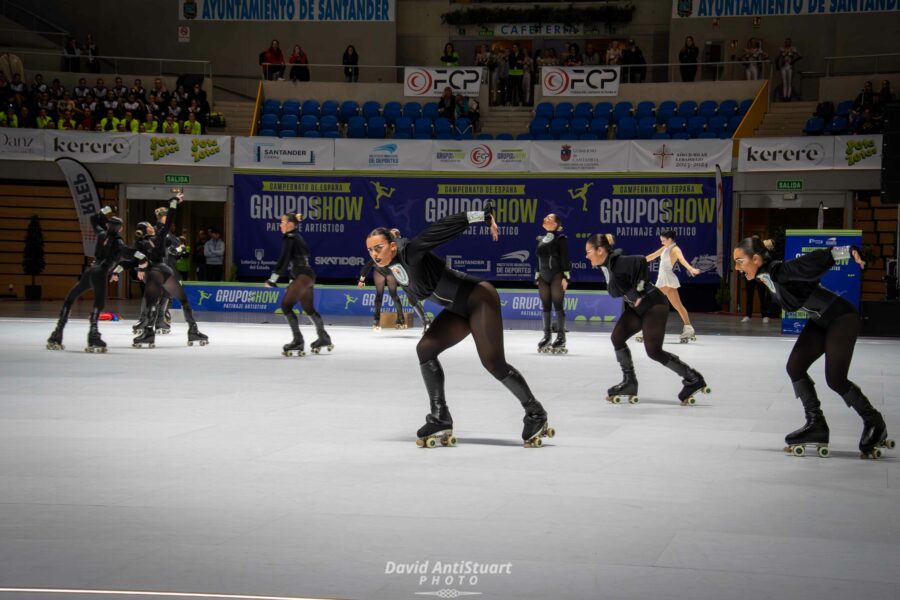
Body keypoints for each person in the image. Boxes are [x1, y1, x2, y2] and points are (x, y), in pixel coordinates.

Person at [364, 203, 554, 448]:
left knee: (493, 363)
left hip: (479, 299)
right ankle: (440, 416)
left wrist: (480, 216)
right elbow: (386, 265)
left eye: (378, 248)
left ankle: (536, 413)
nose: (374, 254)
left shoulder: (410, 252)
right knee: (425, 349)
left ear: (391, 246)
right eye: (370, 250)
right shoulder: (383, 263)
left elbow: (439, 230)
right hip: (456, 309)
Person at [732, 237, 893, 458]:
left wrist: (848, 250)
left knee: (836, 379)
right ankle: (816, 424)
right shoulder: (765, 275)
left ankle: (874, 421)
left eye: (740, 261)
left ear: (756, 259)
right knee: (795, 367)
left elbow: (809, 262)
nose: (737, 267)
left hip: (841, 318)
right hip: (820, 320)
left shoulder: (779, 270)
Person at [585, 233, 709, 406]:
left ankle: (693, 378)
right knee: (617, 338)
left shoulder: (618, 261)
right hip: (637, 308)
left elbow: (641, 261)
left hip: (654, 305)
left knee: (653, 351)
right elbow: (616, 291)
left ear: (599, 250)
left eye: (588, 251)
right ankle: (629, 382)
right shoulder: (607, 265)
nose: (586, 255)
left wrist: (640, 289)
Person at [47, 207, 138, 352]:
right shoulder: (118, 242)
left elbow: (94, 218)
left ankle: (56, 334)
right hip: (100, 273)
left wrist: (106, 209)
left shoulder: (102, 234)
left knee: (70, 298)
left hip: (89, 271)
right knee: (98, 304)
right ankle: (93, 336)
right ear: (120, 229)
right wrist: (143, 253)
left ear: (108, 226)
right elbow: (129, 254)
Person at [130, 194, 208, 348]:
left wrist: (174, 203)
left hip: (158, 272)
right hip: (163, 271)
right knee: (179, 300)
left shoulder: (150, 240)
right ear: (145, 231)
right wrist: (173, 203)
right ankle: (191, 330)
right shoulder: (154, 238)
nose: (152, 226)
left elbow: (130, 257)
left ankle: (149, 333)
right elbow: (130, 256)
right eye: (149, 227)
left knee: (160, 301)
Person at [265, 213, 332, 356]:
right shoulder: (298, 237)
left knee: (286, 306)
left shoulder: (290, 238)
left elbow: (284, 260)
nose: (280, 224)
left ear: (290, 224)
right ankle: (323, 337)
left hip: (302, 276)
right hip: (307, 276)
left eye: (282, 222)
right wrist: (291, 283)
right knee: (309, 309)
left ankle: (298, 340)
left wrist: (272, 279)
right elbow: (295, 263)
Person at [644, 230, 701, 343]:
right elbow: (652, 256)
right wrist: (637, 262)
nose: (662, 242)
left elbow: (682, 260)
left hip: (665, 280)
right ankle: (688, 328)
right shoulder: (666, 247)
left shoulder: (675, 249)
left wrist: (691, 269)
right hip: (667, 280)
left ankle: (645, 330)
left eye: (663, 240)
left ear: (669, 239)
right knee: (678, 306)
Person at [534, 214, 571, 354]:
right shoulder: (540, 239)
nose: (545, 218)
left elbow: (565, 258)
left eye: (549, 218)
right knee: (545, 306)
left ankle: (561, 337)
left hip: (557, 275)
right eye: (545, 217)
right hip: (543, 276)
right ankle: (547, 336)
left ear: (556, 224)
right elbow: (538, 259)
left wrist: (566, 277)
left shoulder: (560, 239)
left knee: (558, 305)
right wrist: (537, 274)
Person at [358, 258, 409, 331]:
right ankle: (376, 321)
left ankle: (401, 320)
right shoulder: (376, 256)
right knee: (380, 295)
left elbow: (400, 263)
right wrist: (361, 280)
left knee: (393, 295)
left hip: (390, 272)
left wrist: (397, 269)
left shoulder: (390, 255)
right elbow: (367, 267)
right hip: (380, 271)